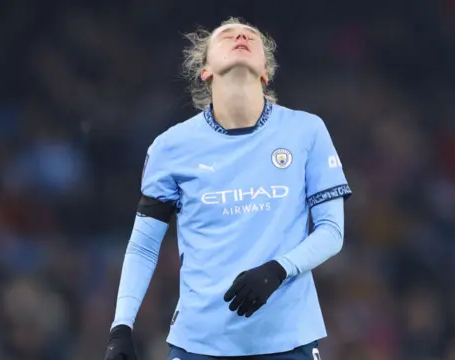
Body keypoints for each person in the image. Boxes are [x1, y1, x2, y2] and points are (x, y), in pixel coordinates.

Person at [103, 17, 351, 360]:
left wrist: (278, 269)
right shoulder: (171, 147)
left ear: (265, 71)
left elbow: (332, 231)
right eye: (226, 36)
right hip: (198, 345)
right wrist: (122, 327)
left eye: (250, 35)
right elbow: (144, 246)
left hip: (288, 340)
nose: (240, 35)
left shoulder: (306, 131)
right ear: (205, 70)